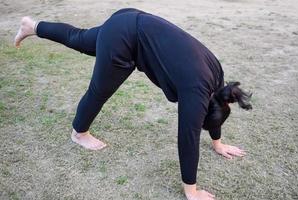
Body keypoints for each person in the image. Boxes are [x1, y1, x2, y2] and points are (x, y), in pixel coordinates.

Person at [14, 8, 252, 200]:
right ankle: (79, 132)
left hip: (131, 19)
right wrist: (192, 191)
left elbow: (215, 110)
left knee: (79, 38)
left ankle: (32, 26)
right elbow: (187, 137)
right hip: (125, 39)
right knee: (100, 90)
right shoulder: (197, 91)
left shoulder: (218, 82)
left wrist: (218, 143)